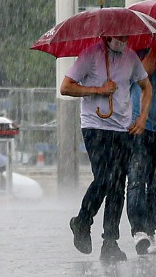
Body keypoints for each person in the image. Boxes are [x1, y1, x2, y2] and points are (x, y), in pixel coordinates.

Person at [62, 35, 151, 262]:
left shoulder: (131, 57)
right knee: (103, 178)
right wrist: (97, 90)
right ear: (107, 35)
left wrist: (142, 118)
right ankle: (83, 221)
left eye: (125, 37)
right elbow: (66, 87)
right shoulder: (91, 54)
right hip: (95, 126)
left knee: (117, 185)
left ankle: (110, 242)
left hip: (122, 129)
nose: (122, 41)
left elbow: (146, 86)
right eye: (118, 37)